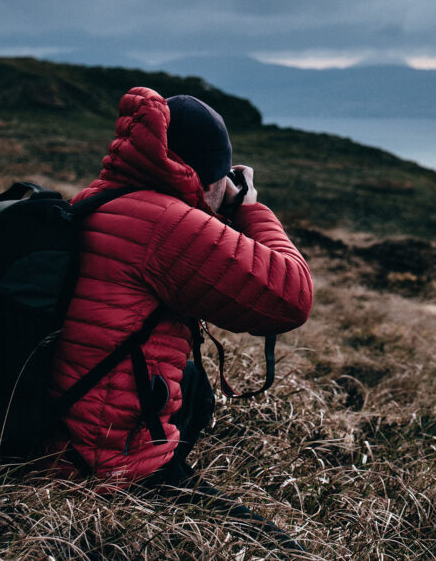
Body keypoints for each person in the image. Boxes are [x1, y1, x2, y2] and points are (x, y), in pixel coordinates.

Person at [46, 87, 313, 496]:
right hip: (99, 466)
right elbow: (291, 297)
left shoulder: (99, 197)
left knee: (191, 385)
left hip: (49, 432)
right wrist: (249, 209)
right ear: (208, 176)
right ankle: (152, 482)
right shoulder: (168, 224)